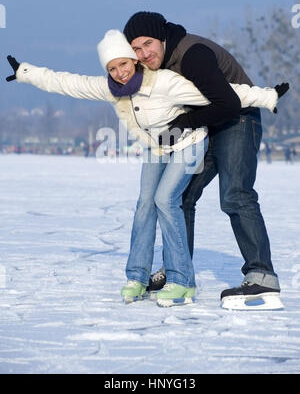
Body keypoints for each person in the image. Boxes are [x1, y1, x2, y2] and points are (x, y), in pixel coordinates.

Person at [6, 30, 287, 309]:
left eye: (126, 62)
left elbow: (223, 93)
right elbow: (69, 83)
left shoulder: (168, 76)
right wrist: (25, 72)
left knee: (204, 197)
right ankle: (156, 272)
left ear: (136, 60)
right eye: (113, 67)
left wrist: (267, 95)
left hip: (204, 134)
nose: (121, 71)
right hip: (163, 145)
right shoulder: (113, 87)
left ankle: (242, 275)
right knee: (158, 203)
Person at [123, 11, 289, 310]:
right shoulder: (157, 65)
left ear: (162, 37)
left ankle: (262, 274)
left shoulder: (193, 55)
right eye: (135, 49)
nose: (143, 54)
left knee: (235, 195)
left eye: (148, 44)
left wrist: (184, 122)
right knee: (178, 197)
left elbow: (228, 103)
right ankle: (179, 272)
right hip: (205, 127)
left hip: (237, 120)